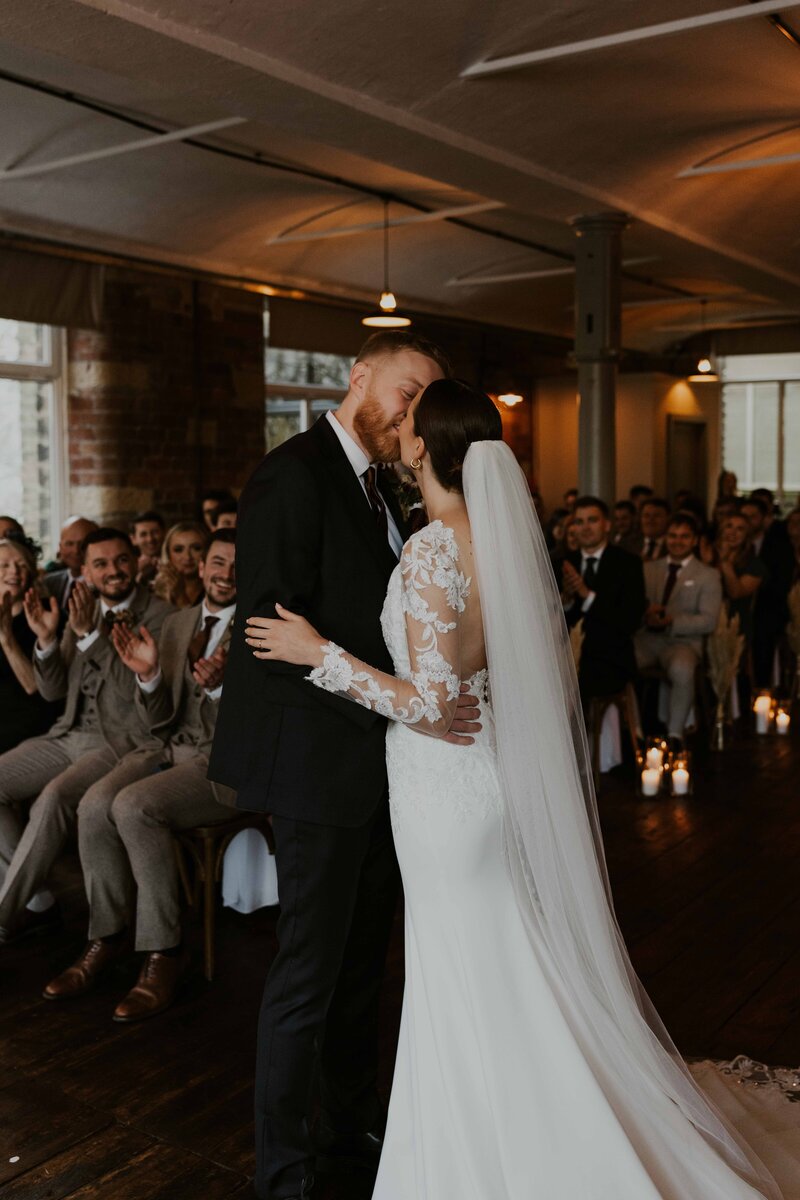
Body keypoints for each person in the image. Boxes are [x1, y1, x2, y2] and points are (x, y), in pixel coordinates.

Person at [247, 379, 781, 1200]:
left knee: (459, 971)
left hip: (441, 788)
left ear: (423, 447)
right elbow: (465, 681)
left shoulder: (430, 548)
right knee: (500, 959)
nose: (398, 433)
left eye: (408, 426)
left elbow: (427, 704)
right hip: (483, 774)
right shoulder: (495, 539)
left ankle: (479, 1160)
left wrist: (315, 649)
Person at [208, 330, 474, 1200]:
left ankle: (351, 1140)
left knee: (363, 973)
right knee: (306, 980)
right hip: (318, 769)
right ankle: (283, 1174)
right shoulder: (294, 474)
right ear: (358, 375)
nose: (410, 409)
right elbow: (271, 638)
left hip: (380, 770)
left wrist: (403, 715)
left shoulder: (384, 492)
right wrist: (396, 711)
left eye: (424, 400)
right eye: (405, 387)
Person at [44, 529, 237, 1021]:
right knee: (92, 803)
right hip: (169, 750)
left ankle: (164, 953)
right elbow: (159, 721)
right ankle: (105, 938)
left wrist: (218, 693)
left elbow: (261, 728)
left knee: (133, 805)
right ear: (201, 567)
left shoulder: (260, 629)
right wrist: (149, 677)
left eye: (238, 564)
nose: (225, 574)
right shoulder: (177, 625)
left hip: (225, 765)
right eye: (217, 562)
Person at [0, 528, 172, 942]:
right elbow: (52, 691)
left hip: (121, 741)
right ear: (85, 573)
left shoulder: (165, 616)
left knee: (54, 798)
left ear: (135, 561)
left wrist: (90, 638)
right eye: (101, 564)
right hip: (67, 733)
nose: (113, 570)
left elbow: (138, 700)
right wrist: (45, 639)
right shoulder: (81, 608)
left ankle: (4, 914)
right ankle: (36, 898)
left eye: (121, 560)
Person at [635, 513, 722, 749]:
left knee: (682, 668)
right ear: (665, 538)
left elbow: (708, 620)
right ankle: (635, 733)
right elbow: (634, 604)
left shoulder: (708, 575)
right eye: (673, 536)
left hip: (684, 642)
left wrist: (672, 620)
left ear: (694, 540)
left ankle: (675, 735)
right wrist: (646, 615)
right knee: (620, 658)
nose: (677, 541)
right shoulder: (647, 569)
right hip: (647, 638)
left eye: (684, 537)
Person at [559, 497, 646, 702]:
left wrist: (585, 594)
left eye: (592, 520)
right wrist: (567, 599)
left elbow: (630, 620)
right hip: (565, 656)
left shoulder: (628, 564)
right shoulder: (561, 562)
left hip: (611, 656)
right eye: (579, 522)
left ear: (607, 525)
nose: (585, 527)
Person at [0, 536, 61, 754]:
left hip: (28, 721)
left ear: (31, 574)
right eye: (4, 566)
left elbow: (34, 687)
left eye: (21, 566)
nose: (14, 572)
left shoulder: (45, 616)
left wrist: (6, 639)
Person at [741, 495, 794, 686]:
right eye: (743, 516)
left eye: (752, 517)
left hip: (769, 609)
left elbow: (781, 586)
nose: (747, 522)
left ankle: (762, 688)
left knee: (764, 628)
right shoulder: (733, 547)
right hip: (738, 610)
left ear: (764, 519)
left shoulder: (779, 547)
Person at [43, 516, 98, 613]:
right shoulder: (48, 583)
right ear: (60, 547)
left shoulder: (103, 584)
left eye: (82, 544)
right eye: (69, 544)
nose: (76, 550)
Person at [152, 522, 207, 610]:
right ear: (168, 554)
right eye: (178, 550)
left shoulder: (214, 589)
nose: (187, 557)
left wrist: (181, 598)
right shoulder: (153, 592)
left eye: (196, 548)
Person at [130, 511, 165, 587]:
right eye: (143, 534)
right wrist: (137, 572)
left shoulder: (176, 564)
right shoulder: (130, 569)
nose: (150, 539)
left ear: (164, 533)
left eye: (155, 532)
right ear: (133, 539)